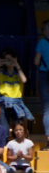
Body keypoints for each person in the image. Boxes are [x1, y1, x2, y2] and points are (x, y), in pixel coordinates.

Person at [0, 48, 34, 126]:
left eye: (10, 59)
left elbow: (24, 80)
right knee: (5, 130)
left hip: (17, 104)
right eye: (6, 59)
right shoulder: (1, 74)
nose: (8, 61)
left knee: (18, 127)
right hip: (4, 104)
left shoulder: (18, 74)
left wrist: (17, 65)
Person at [34, 20, 49, 149]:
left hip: (45, 76)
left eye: (43, 28)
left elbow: (36, 62)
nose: (42, 31)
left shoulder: (42, 42)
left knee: (47, 110)